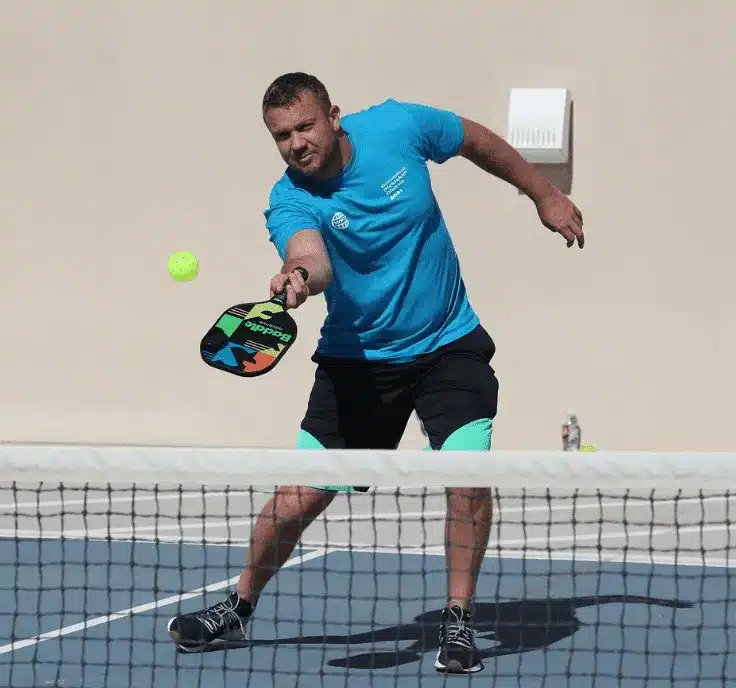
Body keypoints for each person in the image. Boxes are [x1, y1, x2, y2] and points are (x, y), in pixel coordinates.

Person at [168, 72, 584, 674]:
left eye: (304, 126)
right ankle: (238, 604)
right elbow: (312, 258)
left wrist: (544, 193)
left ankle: (458, 620)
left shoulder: (398, 126)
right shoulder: (289, 200)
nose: (295, 144)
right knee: (296, 500)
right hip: (358, 360)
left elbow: (476, 140)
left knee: (467, 470)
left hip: (447, 341)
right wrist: (299, 278)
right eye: (281, 136)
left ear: (334, 116)